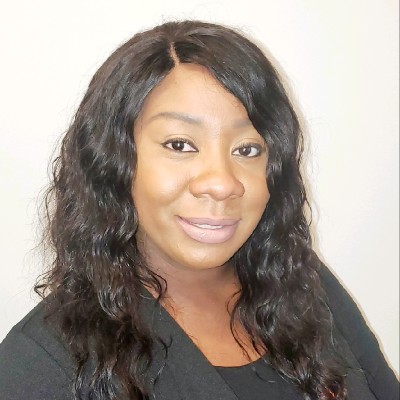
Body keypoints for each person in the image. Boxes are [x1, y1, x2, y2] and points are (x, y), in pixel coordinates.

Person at [0, 20, 397, 400]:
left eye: (247, 149)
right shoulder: (41, 364)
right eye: (180, 145)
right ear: (113, 161)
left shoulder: (304, 285)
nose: (222, 183)